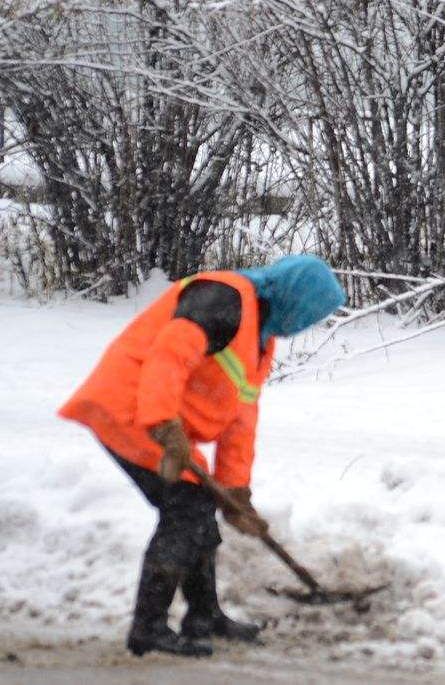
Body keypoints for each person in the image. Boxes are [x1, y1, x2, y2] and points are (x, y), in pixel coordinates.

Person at [59, 255, 345, 658]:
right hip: (133, 409)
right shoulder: (222, 299)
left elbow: (241, 417)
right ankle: (149, 626)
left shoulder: (259, 337)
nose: (303, 324)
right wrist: (162, 423)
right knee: (186, 513)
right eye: (307, 313)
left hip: (162, 419)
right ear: (292, 296)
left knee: (199, 511)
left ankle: (203, 616)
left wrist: (235, 491)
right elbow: (167, 356)